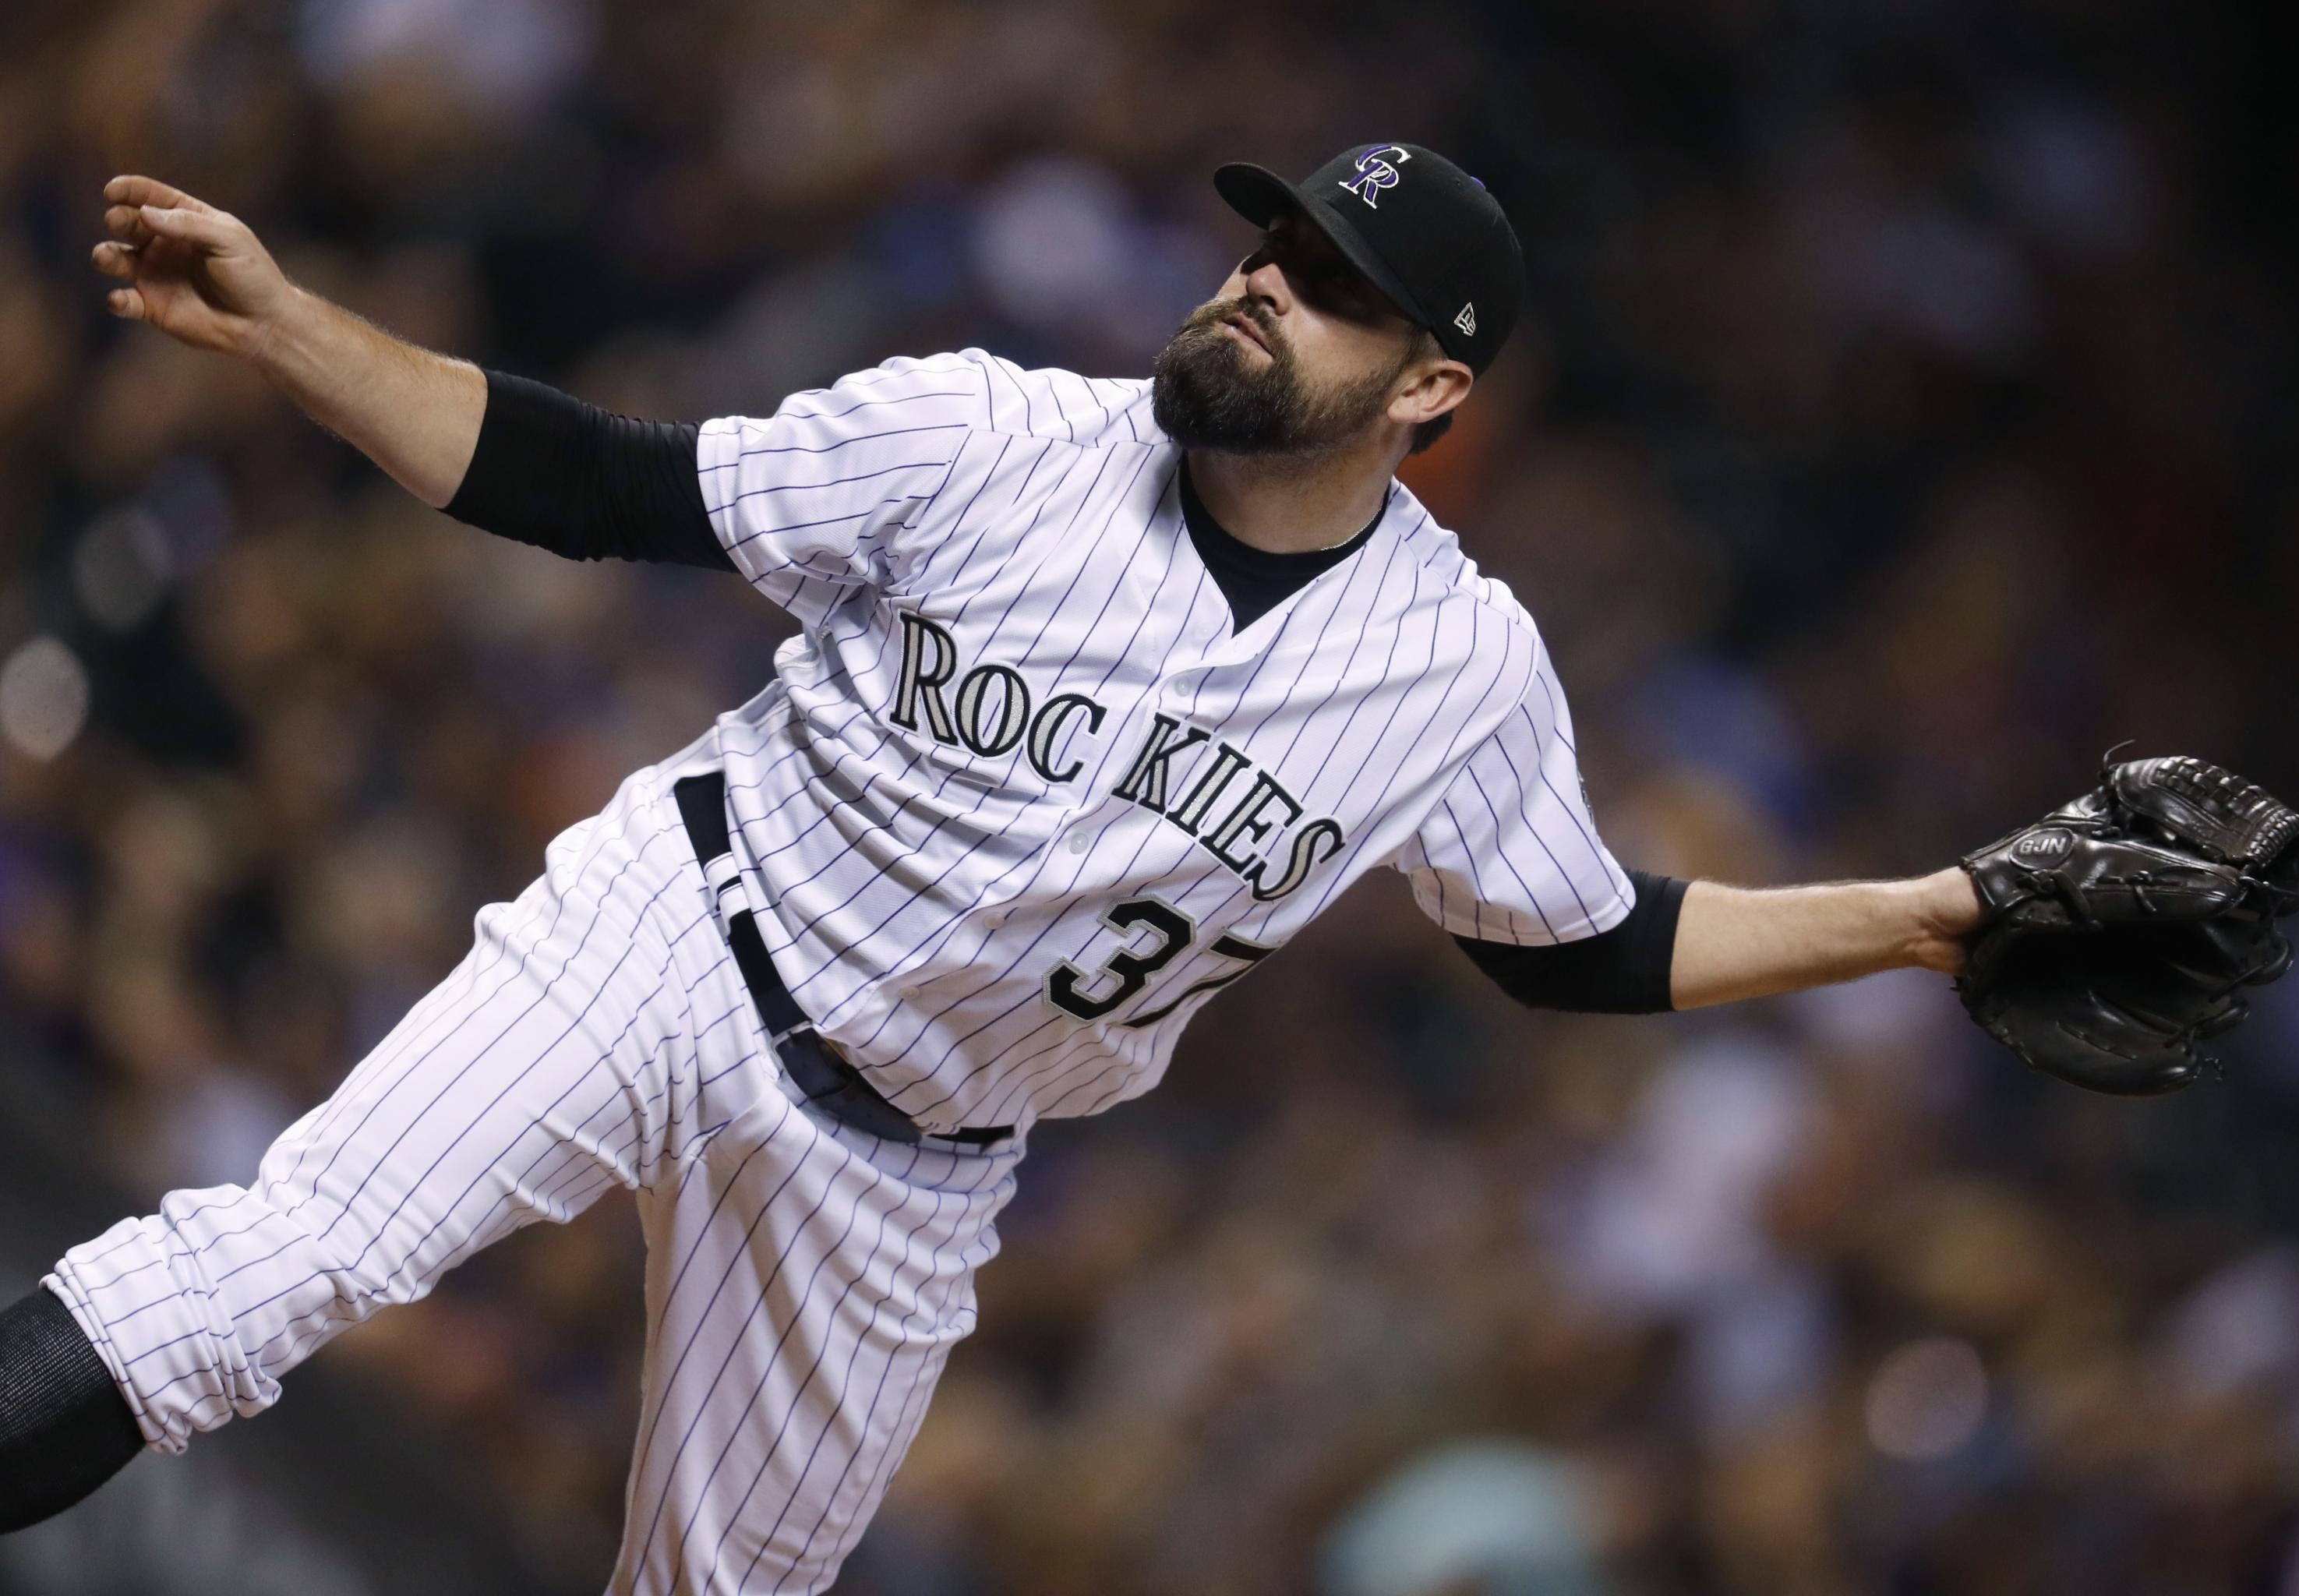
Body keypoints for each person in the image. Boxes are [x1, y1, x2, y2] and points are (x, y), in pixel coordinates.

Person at [2, 143, 1983, 1591]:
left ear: (1430, 389)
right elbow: (594, 483)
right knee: (264, 1268)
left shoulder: (1460, 675)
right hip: (687, 924)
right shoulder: (992, 433)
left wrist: (1929, 918)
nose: (1262, 282)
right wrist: (287, 330)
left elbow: (1584, 946)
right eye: (1270, 241)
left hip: (908, 1165)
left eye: (1330, 281)